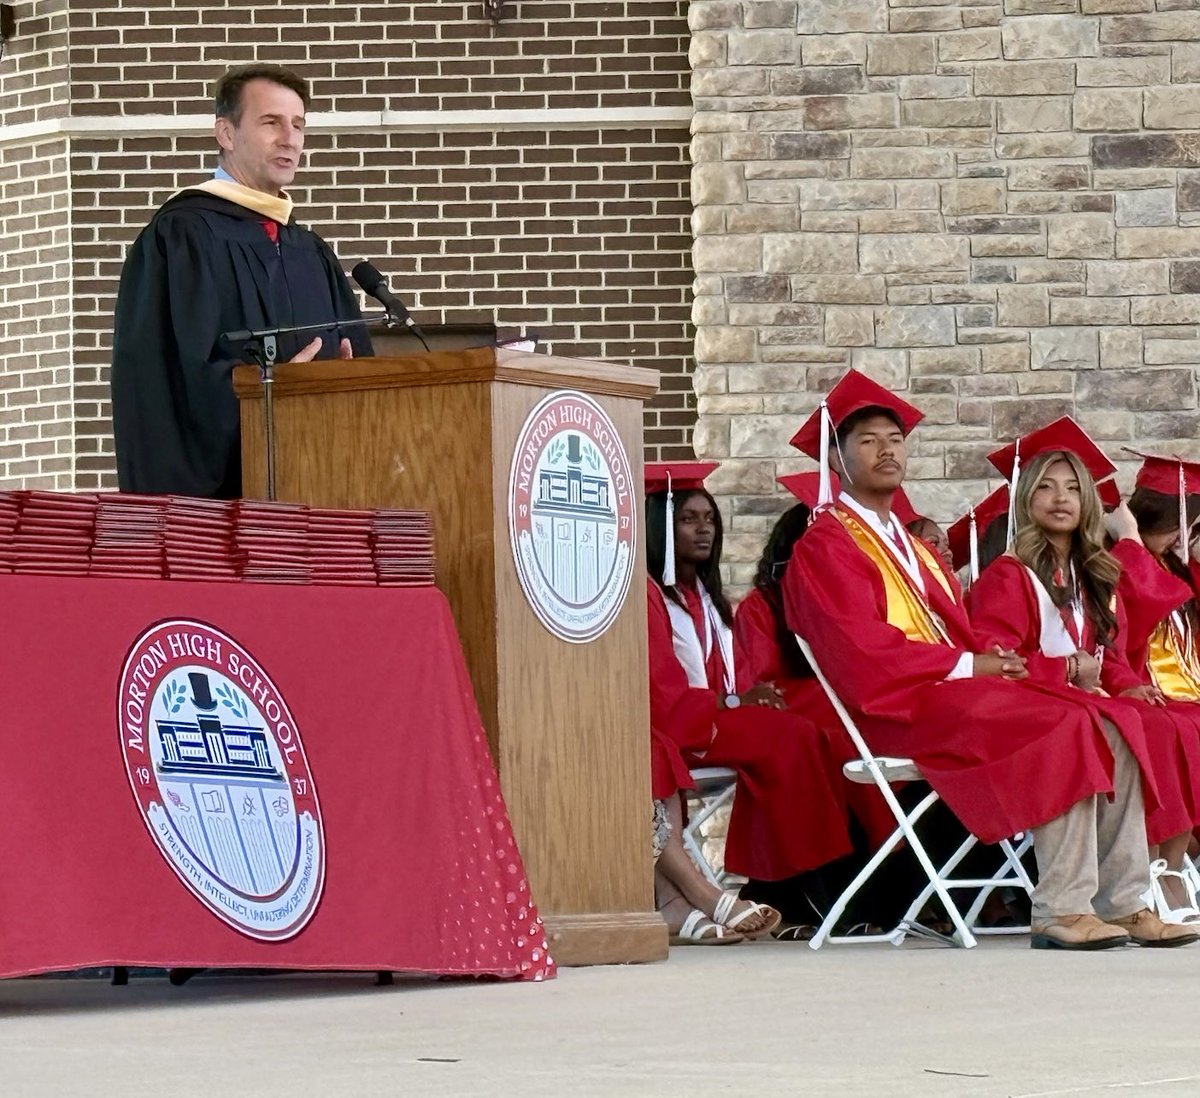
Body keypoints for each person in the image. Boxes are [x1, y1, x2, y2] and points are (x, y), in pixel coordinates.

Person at [784, 369, 1194, 949]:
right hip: (897, 707)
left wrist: (991, 661)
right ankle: (1060, 906)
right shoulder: (826, 545)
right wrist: (971, 666)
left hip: (952, 694)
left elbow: (960, 636)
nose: (887, 451)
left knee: (1119, 721)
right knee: (1068, 721)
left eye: (895, 439)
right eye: (868, 441)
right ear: (836, 457)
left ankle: (1124, 902)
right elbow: (861, 656)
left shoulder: (912, 545)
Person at [967, 420, 1200, 927]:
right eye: (1046, 487)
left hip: (1082, 702)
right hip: (1028, 711)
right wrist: (1066, 669)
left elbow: (1105, 651)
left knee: (1141, 720)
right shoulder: (1008, 576)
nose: (1061, 499)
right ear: (1026, 499)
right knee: (1104, 728)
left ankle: (1127, 900)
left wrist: (1127, 684)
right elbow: (997, 659)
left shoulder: (1088, 574)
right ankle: (1078, 904)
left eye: (1073, 488)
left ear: (1088, 503)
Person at [111, 63, 373, 498]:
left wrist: (345, 384)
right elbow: (168, 379)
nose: (290, 138)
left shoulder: (309, 250)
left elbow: (356, 359)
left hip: (319, 485)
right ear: (226, 134)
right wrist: (270, 392)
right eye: (271, 122)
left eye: (298, 125)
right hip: (226, 501)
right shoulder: (182, 236)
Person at [645, 462, 853, 942]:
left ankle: (789, 884)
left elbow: (736, 674)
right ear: (660, 526)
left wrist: (746, 699)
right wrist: (734, 702)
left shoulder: (707, 597)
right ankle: (810, 886)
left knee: (808, 735)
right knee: (791, 737)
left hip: (715, 718)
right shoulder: (650, 596)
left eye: (709, 520)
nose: (704, 529)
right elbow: (662, 691)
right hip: (683, 726)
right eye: (688, 519)